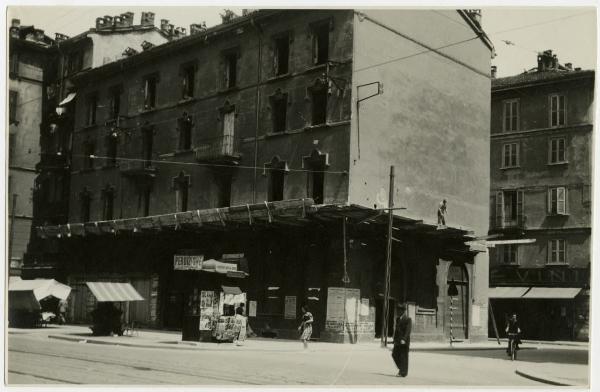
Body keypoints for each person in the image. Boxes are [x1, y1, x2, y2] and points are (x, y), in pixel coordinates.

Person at [392, 304, 412, 377]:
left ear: (403, 311)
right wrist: (394, 339)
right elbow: (397, 330)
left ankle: (403, 372)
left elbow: (408, 331)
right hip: (398, 341)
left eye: (399, 310)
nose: (397, 311)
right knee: (394, 354)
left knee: (403, 357)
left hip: (404, 342)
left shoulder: (408, 319)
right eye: (397, 310)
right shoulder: (398, 319)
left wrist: (404, 339)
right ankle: (403, 369)